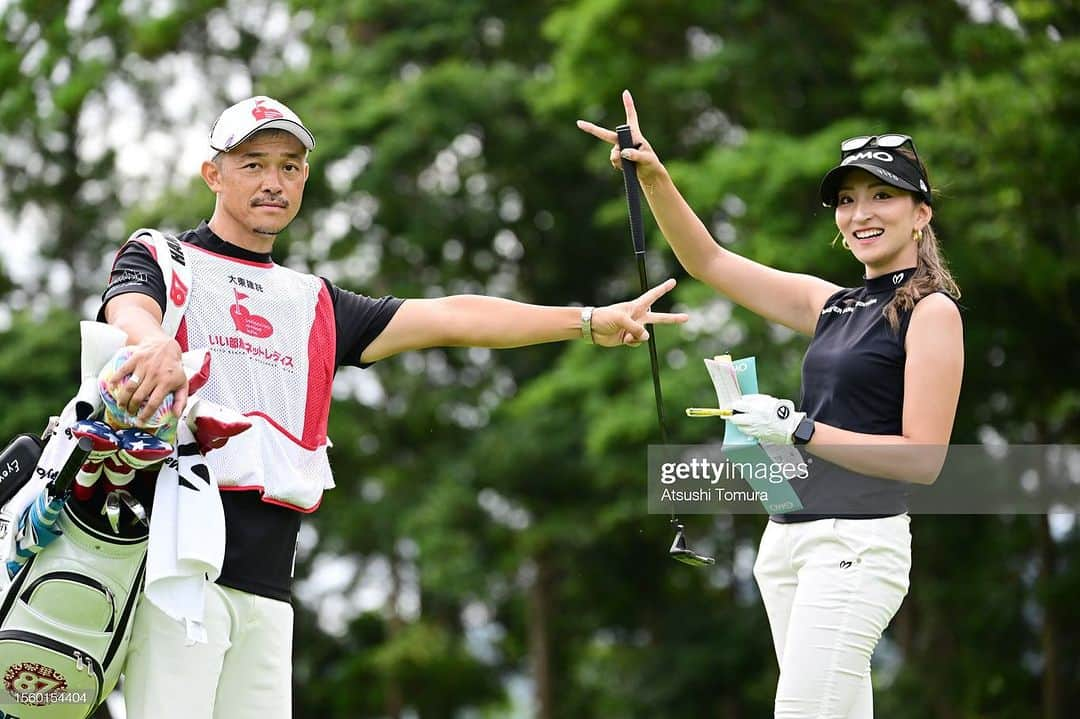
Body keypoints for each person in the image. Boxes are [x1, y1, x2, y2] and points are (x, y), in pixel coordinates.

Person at [99, 95, 688, 718]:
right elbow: (130, 307)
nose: (274, 182)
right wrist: (152, 340)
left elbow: (450, 316)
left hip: (269, 589)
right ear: (213, 174)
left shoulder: (314, 303)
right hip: (173, 565)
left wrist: (590, 320)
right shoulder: (164, 256)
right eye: (254, 164)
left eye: (291, 166)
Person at [579, 91, 963, 718]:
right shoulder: (831, 304)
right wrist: (654, 174)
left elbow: (923, 460)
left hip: (856, 546)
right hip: (786, 545)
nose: (860, 213)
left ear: (920, 213)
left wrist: (797, 428)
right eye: (846, 200)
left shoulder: (932, 311)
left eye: (881, 196)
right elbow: (707, 261)